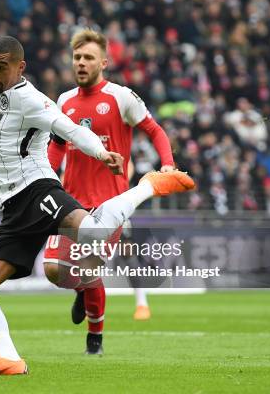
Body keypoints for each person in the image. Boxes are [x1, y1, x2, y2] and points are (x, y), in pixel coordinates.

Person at [0, 11, 195, 377]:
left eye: (1, 68)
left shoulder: (31, 99)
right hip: (12, 207)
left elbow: (68, 129)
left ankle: (148, 185)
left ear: (19, 68)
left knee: (94, 235)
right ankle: (9, 359)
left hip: (37, 189)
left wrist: (102, 153)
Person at [42, 29, 176, 355]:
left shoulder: (121, 97)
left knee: (88, 269)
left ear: (103, 62)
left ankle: (94, 341)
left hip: (109, 204)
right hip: (70, 200)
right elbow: (57, 146)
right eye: (77, 58)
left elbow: (154, 130)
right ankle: (79, 291)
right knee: (51, 268)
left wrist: (168, 164)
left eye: (88, 58)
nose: (81, 63)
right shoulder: (64, 101)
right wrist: (45, 177)